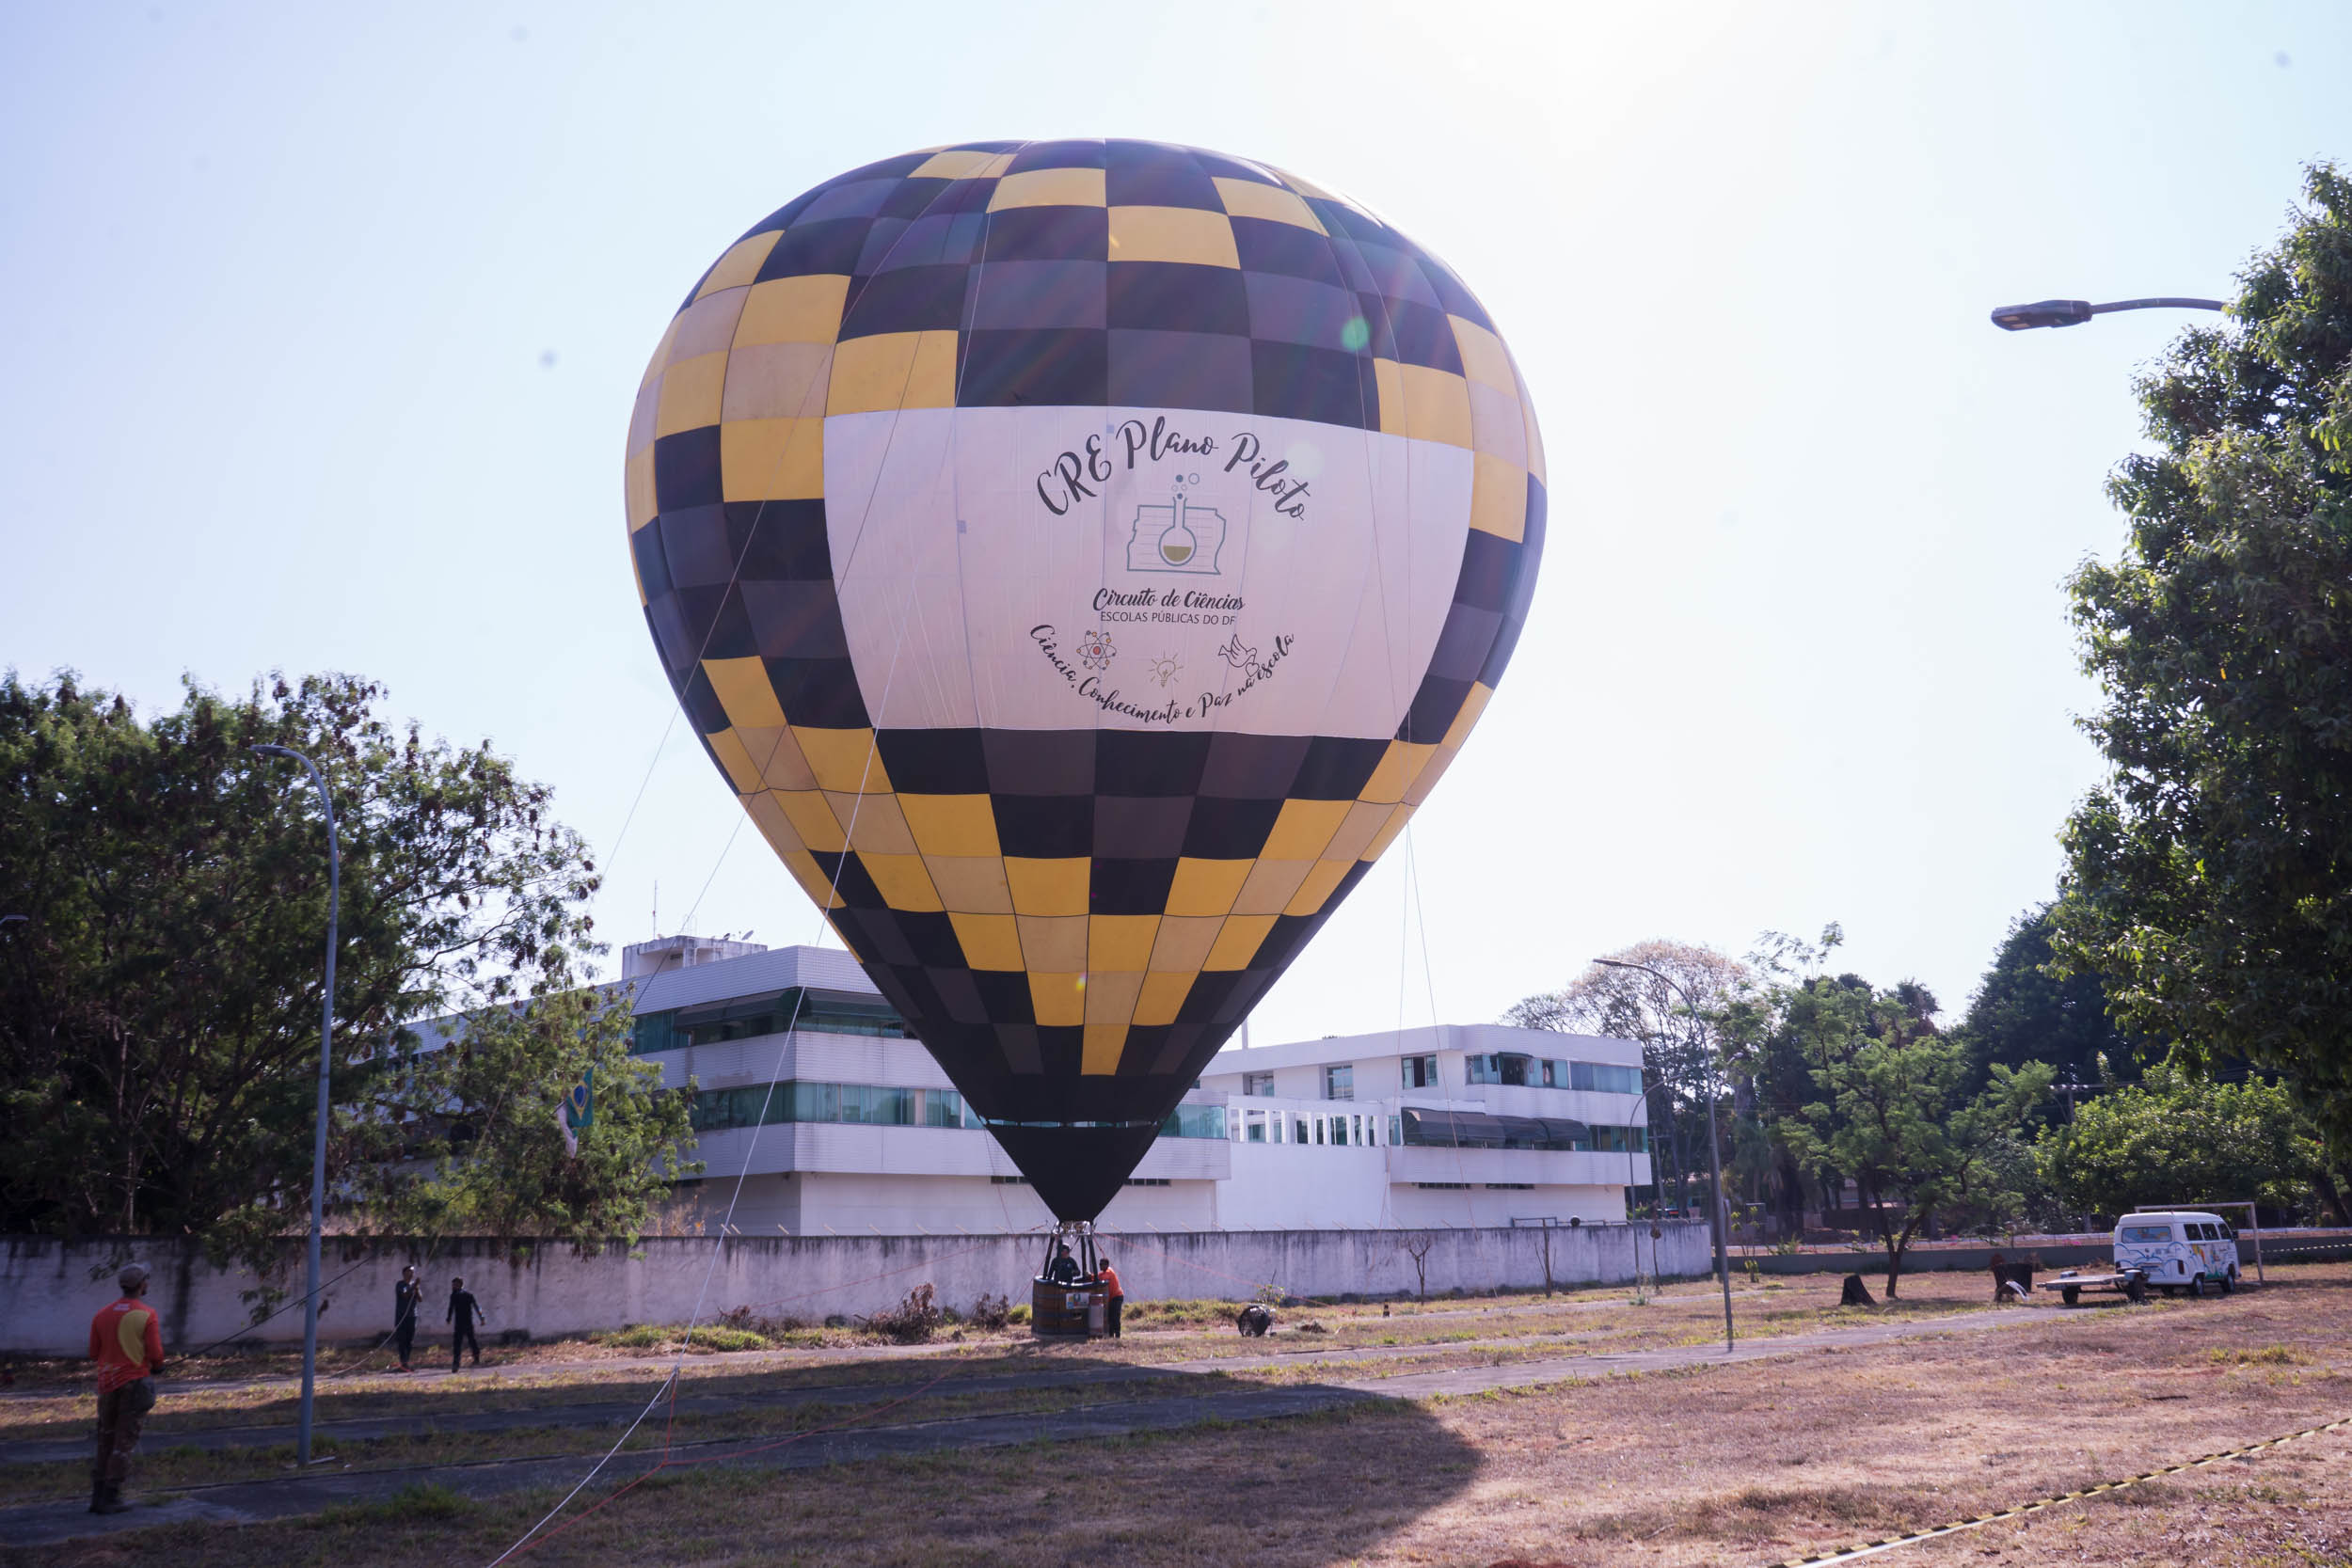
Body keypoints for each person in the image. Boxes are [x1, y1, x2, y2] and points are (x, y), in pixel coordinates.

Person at [87, 1261, 166, 1514]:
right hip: (134, 1384)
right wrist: (157, 1366)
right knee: (125, 1440)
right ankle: (112, 1496)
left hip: (107, 1385)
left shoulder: (101, 1315)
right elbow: (155, 1353)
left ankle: (97, 1495)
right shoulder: (147, 1314)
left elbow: (93, 1353)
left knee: (105, 1438)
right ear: (142, 1285)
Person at [447, 1276, 487, 1371]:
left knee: (460, 1342)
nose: (453, 1286)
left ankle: (457, 1363)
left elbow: (451, 1308)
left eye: (455, 1284)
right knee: (469, 1340)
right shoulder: (466, 1295)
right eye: (453, 1285)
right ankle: (472, 1358)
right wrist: (482, 1317)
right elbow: (477, 1307)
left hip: (462, 1322)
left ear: (460, 1284)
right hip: (465, 1321)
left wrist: (448, 1318)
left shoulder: (457, 1295)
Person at [392, 1265, 421, 1372]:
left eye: (413, 1272)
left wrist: (416, 1288)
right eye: (409, 1271)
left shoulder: (414, 1285)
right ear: (404, 1273)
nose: (412, 1274)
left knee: (410, 1340)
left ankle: (406, 1362)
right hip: (401, 1316)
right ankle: (403, 1362)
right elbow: (405, 1295)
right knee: (402, 1340)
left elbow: (420, 1299)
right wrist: (414, 1286)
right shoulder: (400, 1285)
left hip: (412, 1316)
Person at [1098, 1252, 1124, 1338]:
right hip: (1111, 1298)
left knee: (1115, 1317)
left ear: (1106, 1265)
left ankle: (1117, 1335)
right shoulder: (1104, 1273)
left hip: (1117, 1297)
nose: (1100, 1266)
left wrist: (1094, 1277)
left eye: (1101, 1264)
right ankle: (1111, 1335)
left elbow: (1103, 1277)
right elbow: (1099, 1275)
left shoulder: (1109, 1271)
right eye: (1099, 1264)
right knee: (1110, 1317)